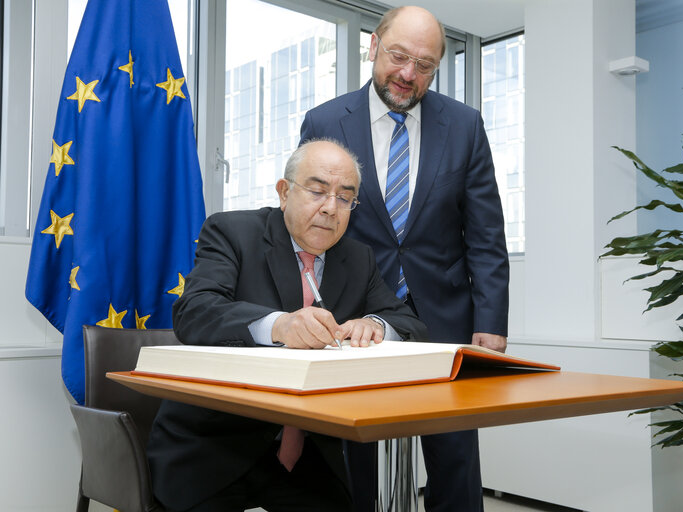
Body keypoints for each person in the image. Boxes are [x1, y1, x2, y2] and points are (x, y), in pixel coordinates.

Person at [299, 6, 509, 512]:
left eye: (425, 65)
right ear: (374, 45)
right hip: (353, 318)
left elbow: (485, 234)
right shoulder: (325, 121)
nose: (408, 74)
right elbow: (310, 221)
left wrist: (491, 321)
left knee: (454, 453)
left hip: (445, 317)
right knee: (355, 452)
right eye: (398, 56)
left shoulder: (464, 125)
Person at [146, 139, 428, 512]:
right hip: (216, 446)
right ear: (284, 192)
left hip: (308, 453)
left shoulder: (357, 258)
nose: (330, 208)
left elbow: (409, 323)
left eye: (345, 198)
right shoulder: (233, 232)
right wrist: (278, 326)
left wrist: (374, 324)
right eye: (317, 191)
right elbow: (194, 311)